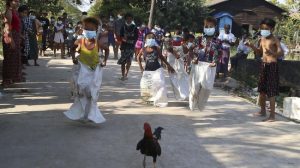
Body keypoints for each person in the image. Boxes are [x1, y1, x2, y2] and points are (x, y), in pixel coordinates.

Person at [64, 17, 107, 124]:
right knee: (82, 90)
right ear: (83, 29)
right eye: (86, 29)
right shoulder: (80, 41)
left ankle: (91, 116)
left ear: (96, 30)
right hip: (82, 68)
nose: (89, 31)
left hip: (94, 70)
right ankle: (80, 114)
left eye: (91, 29)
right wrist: (74, 58)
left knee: (92, 93)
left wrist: (104, 61)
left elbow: (106, 50)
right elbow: (72, 48)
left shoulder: (97, 43)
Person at [246, 18, 283, 122]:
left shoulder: (275, 39)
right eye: (262, 28)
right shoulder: (262, 39)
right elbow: (259, 52)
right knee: (262, 90)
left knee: (271, 91)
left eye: (265, 28)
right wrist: (252, 46)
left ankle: (272, 116)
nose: (263, 30)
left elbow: (281, 52)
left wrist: (273, 53)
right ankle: (262, 111)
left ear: (272, 29)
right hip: (263, 65)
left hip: (272, 65)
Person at [189, 16, 222, 111]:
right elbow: (191, 50)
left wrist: (215, 62)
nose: (208, 28)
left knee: (206, 88)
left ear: (215, 27)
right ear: (203, 27)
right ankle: (193, 101)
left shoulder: (217, 41)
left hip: (210, 66)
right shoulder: (199, 39)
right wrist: (193, 59)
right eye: (206, 26)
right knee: (195, 87)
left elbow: (219, 53)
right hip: (198, 64)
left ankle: (201, 104)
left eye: (211, 26)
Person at [137, 38, 175, 107]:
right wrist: (141, 68)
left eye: (153, 44)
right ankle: (149, 100)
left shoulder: (156, 49)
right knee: (145, 85)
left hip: (157, 69)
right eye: (150, 44)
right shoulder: (143, 50)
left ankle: (160, 100)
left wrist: (168, 65)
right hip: (147, 70)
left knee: (160, 83)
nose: (152, 46)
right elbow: (138, 57)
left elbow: (161, 57)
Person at [2, 0, 23, 87]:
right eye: (15, 1)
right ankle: (6, 80)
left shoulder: (15, 12)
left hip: (16, 36)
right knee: (9, 59)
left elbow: (17, 25)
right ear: (10, 2)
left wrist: (20, 36)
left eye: (18, 1)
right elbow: (8, 27)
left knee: (14, 58)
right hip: (10, 36)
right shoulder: (9, 12)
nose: (17, 3)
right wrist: (11, 40)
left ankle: (12, 78)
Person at [117, 13, 138, 80]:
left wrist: (132, 41)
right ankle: (123, 75)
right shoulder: (123, 27)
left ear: (132, 19)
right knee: (123, 61)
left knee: (129, 61)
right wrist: (123, 39)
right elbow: (120, 36)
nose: (129, 20)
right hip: (124, 46)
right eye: (127, 18)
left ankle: (126, 74)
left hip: (131, 46)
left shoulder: (135, 27)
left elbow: (136, 37)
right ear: (125, 19)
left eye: (130, 18)